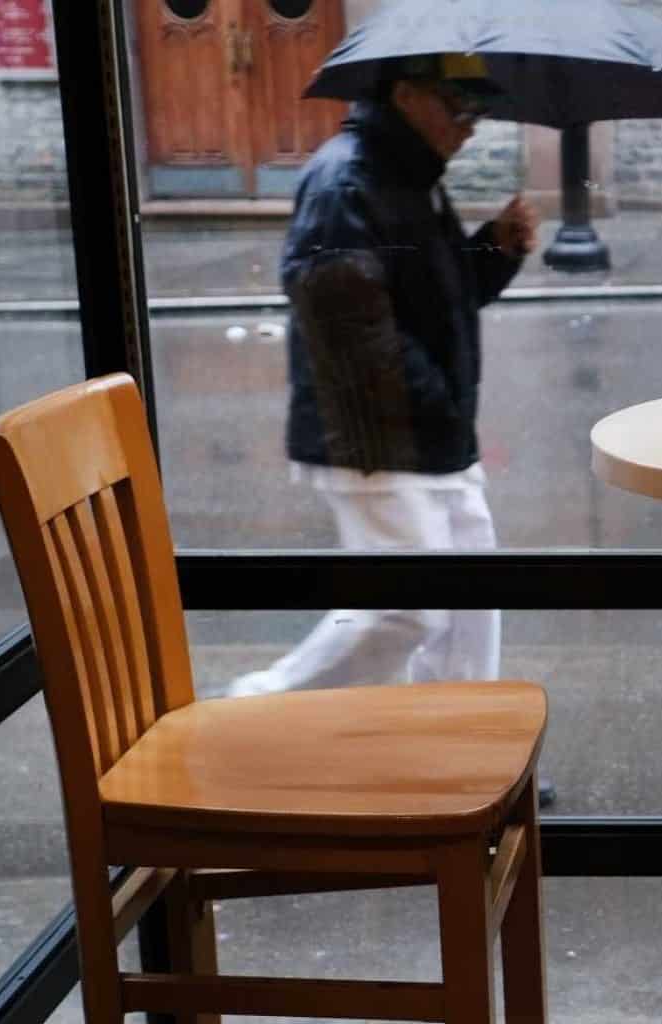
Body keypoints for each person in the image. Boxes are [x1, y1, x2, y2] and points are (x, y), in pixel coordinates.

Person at [228, 53, 552, 800]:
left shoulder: (407, 174)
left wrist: (494, 249)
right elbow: (349, 333)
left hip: (427, 434)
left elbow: (434, 298)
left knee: (469, 594)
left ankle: (462, 747)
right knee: (403, 607)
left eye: (477, 113)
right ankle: (255, 719)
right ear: (406, 94)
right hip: (379, 441)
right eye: (458, 108)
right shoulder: (347, 181)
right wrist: (436, 403)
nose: (469, 128)